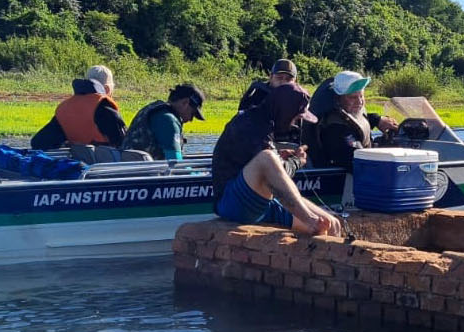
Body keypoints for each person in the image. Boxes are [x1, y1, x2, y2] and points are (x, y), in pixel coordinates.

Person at [211, 81, 343, 235]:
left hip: (261, 201)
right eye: (296, 117)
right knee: (267, 158)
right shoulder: (250, 124)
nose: (295, 123)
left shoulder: (266, 122)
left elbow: (271, 175)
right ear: (286, 111)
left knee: (331, 223)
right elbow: (269, 167)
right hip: (232, 203)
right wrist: (296, 162)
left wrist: (281, 160)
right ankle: (309, 219)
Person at [313, 70, 401, 170]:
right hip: (346, 180)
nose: (359, 102)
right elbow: (357, 158)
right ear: (338, 99)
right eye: (353, 97)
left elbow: (357, 120)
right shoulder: (335, 128)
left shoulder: (348, 111)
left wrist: (377, 120)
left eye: (361, 96)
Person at [29, 64, 126, 150]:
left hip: (78, 164)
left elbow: (38, 142)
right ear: (107, 89)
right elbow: (126, 144)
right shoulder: (105, 108)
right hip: (104, 168)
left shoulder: (65, 108)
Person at [123, 84, 206, 160]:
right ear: (185, 103)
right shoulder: (168, 120)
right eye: (192, 114)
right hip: (148, 174)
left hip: (130, 170)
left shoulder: (152, 109)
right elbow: (175, 164)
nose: (191, 120)